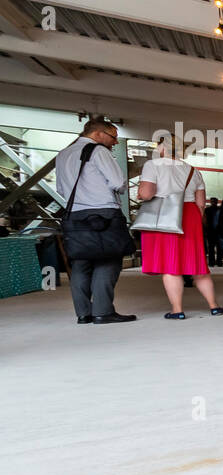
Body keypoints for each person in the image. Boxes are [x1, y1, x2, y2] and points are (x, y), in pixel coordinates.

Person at [53, 117, 135, 324]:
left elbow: (61, 190)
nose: (115, 142)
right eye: (113, 137)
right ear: (98, 134)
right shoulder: (99, 151)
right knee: (108, 261)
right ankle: (103, 312)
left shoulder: (63, 154)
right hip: (104, 214)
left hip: (75, 216)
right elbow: (118, 183)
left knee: (81, 262)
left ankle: (83, 313)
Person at [137, 140, 223, 319]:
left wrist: (141, 194)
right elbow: (201, 203)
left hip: (164, 216)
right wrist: (191, 219)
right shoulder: (193, 170)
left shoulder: (152, 165)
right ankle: (214, 306)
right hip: (190, 215)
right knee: (197, 264)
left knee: (171, 266)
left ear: (162, 148)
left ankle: (177, 310)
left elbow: (147, 193)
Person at [203, 196, 223, 268]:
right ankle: (219, 262)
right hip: (218, 231)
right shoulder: (220, 209)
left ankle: (212, 262)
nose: (213, 203)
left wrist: (205, 230)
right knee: (219, 247)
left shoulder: (207, 210)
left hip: (210, 231)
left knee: (211, 247)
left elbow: (204, 221)